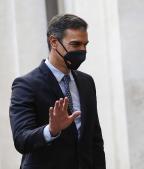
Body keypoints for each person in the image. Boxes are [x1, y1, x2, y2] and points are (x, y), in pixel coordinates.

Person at [9, 14, 106, 169]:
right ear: (54, 42)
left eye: (85, 44)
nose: (82, 50)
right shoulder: (26, 85)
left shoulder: (87, 82)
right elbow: (21, 140)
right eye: (75, 44)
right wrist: (51, 130)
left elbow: (95, 138)